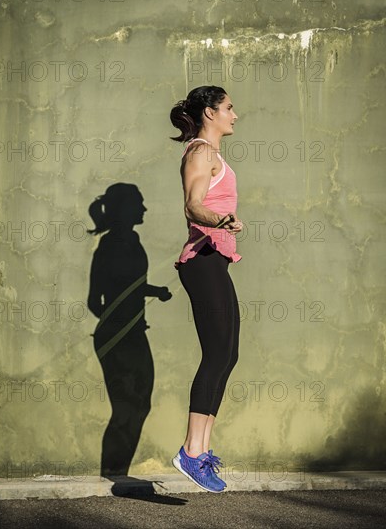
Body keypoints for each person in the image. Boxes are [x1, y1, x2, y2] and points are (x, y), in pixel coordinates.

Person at [169, 85, 243, 492]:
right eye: (229, 108)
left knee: (227, 355)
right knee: (216, 354)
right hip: (201, 261)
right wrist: (220, 220)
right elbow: (192, 205)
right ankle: (191, 452)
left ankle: (202, 451)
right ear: (210, 113)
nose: (235, 114)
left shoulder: (213, 155)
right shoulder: (200, 152)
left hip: (216, 261)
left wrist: (224, 222)